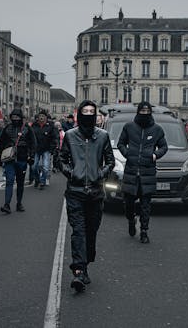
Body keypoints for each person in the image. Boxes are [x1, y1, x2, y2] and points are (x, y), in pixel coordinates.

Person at [58, 100, 115, 292]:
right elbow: (61, 159)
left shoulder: (103, 136)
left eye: (92, 111)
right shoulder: (70, 135)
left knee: (91, 232)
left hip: (96, 193)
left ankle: (86, 262)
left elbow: (110, 161)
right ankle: (79, 271)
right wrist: (72, 173)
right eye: (85, 111)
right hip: (75, 192)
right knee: (79, 232)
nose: (89, 114)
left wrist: (101, 173)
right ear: (79, 114)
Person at [117, 101, 168, 243]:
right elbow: (120, 143)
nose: (144, 113)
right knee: (128, 204)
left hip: (148, 172)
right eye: (142, 111)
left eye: (147, 111)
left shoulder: (157, 129)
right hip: (131, 171)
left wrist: (155, 155)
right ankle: (131, 220)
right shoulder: (129, 127)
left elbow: (164, 146)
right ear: (138, 111)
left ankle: (144, 231)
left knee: (146, 205)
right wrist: (128, 153)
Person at [0, 108, 36, 214]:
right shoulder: (7, 128)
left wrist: (32, 156)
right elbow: (1, 144)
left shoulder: (27, 128)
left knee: (20, 183)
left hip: (22, 159)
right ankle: (7, 204)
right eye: (13, 117)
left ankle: (19, 203)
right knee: (9, 181)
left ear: (21, 118)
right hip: (9, 159)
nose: (15, 119)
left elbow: (33, 143)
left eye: (17, 117)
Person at [32, 110, 57, 189]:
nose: (41, 117)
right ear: (38, 117)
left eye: (43, 116)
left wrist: (52, 148)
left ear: (46, 117)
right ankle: (37, 179)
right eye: (40, 116)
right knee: (34, 167)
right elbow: (30, 137)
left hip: (46, 149)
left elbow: (54, 138)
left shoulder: (50, 126)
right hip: (36, 149)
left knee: (45, 167)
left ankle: (42, 181)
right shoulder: (34, 125)